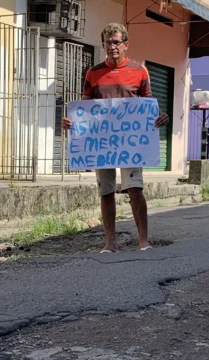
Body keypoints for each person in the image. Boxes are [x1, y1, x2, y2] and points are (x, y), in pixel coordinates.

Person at [63, 23, 169, 253]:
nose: (112, 47)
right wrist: (72, 122)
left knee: (135, 189)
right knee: (106, 190)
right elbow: (84, 107)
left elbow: (148, 105)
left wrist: (159, 118)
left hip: (130, 144)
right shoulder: (93, 73)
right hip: (101, 144)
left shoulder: (139, 71)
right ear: (103, 45)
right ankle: (110, 243)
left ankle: (144, 241)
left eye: (116, 42)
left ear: (126, 44)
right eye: (108, 43)